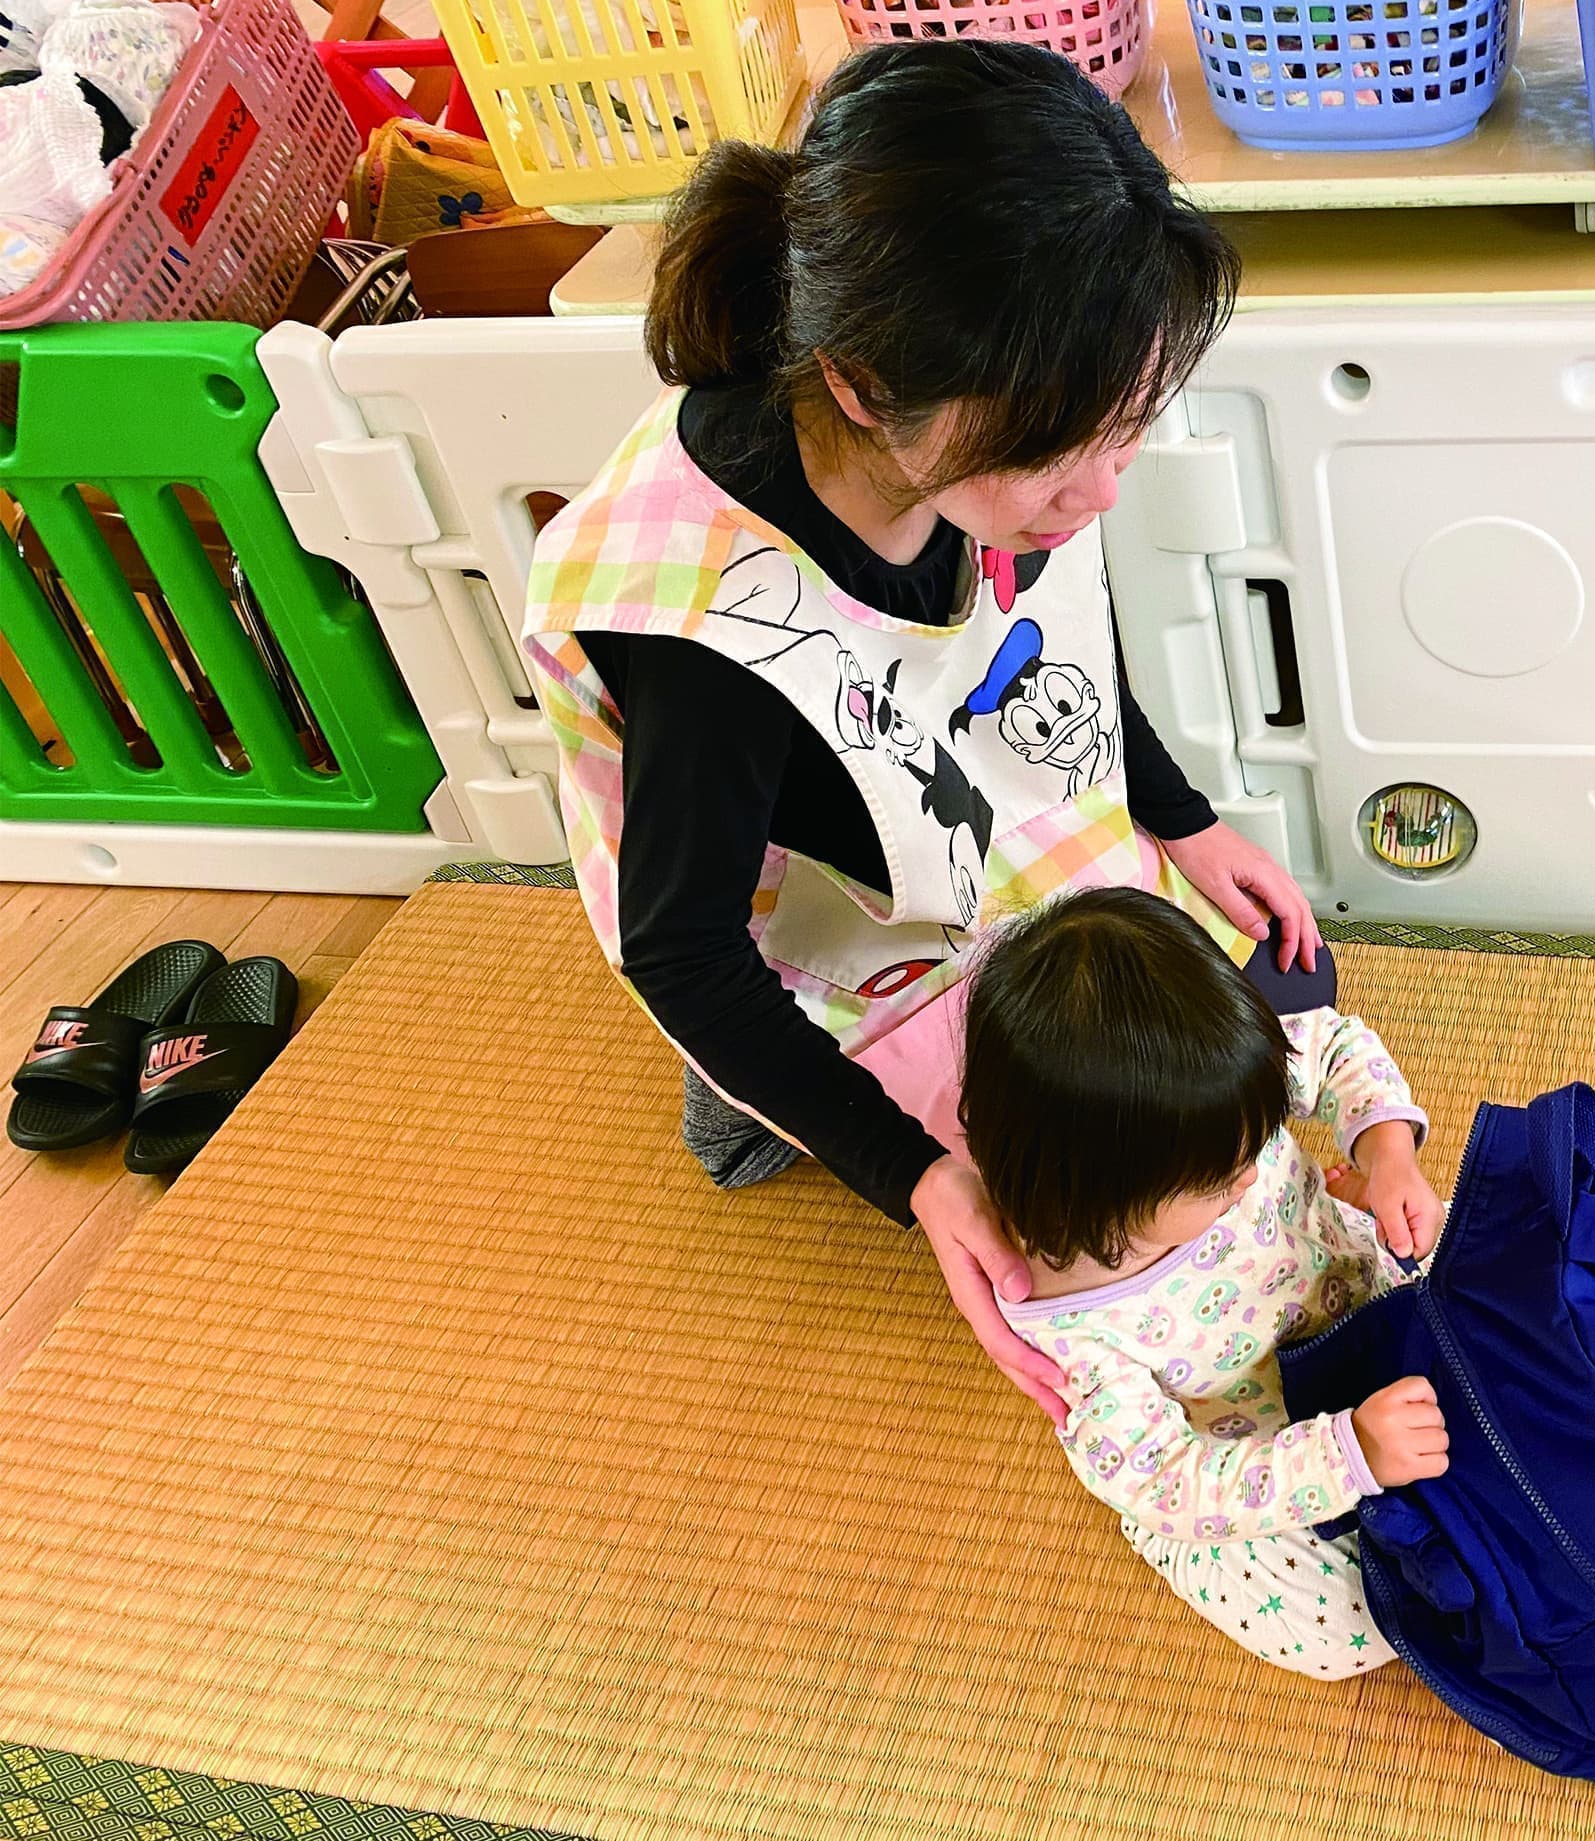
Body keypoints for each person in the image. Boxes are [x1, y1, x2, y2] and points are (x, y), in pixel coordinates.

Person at [522, 41, 1327, 1425]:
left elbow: (1046, 653)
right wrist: (916, 1177)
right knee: (1034, 1179)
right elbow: (683, 944)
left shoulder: (987, 445)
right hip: (815, 917)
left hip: (951, 817)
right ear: (853, 385)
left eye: (1127, 434)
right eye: (1058, 453)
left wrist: (1183, 820)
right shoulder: (704, 628)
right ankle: (737, 1114)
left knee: (1212, 1060)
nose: (1097, 493)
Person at [964, 888, 1447, 1677]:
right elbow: (1166, 1479)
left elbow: (1332, 1047)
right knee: (1342, 1625)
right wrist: (1344, 1453)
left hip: (1348, 1281)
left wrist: (1387, 1156)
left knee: (1494, 1251)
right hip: (1250, 1442)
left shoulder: (1207, 1099)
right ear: (1097, 1195)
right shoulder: (1072, 1334)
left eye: (1260, 1139)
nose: (1257, 1169)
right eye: (1226, 1177)